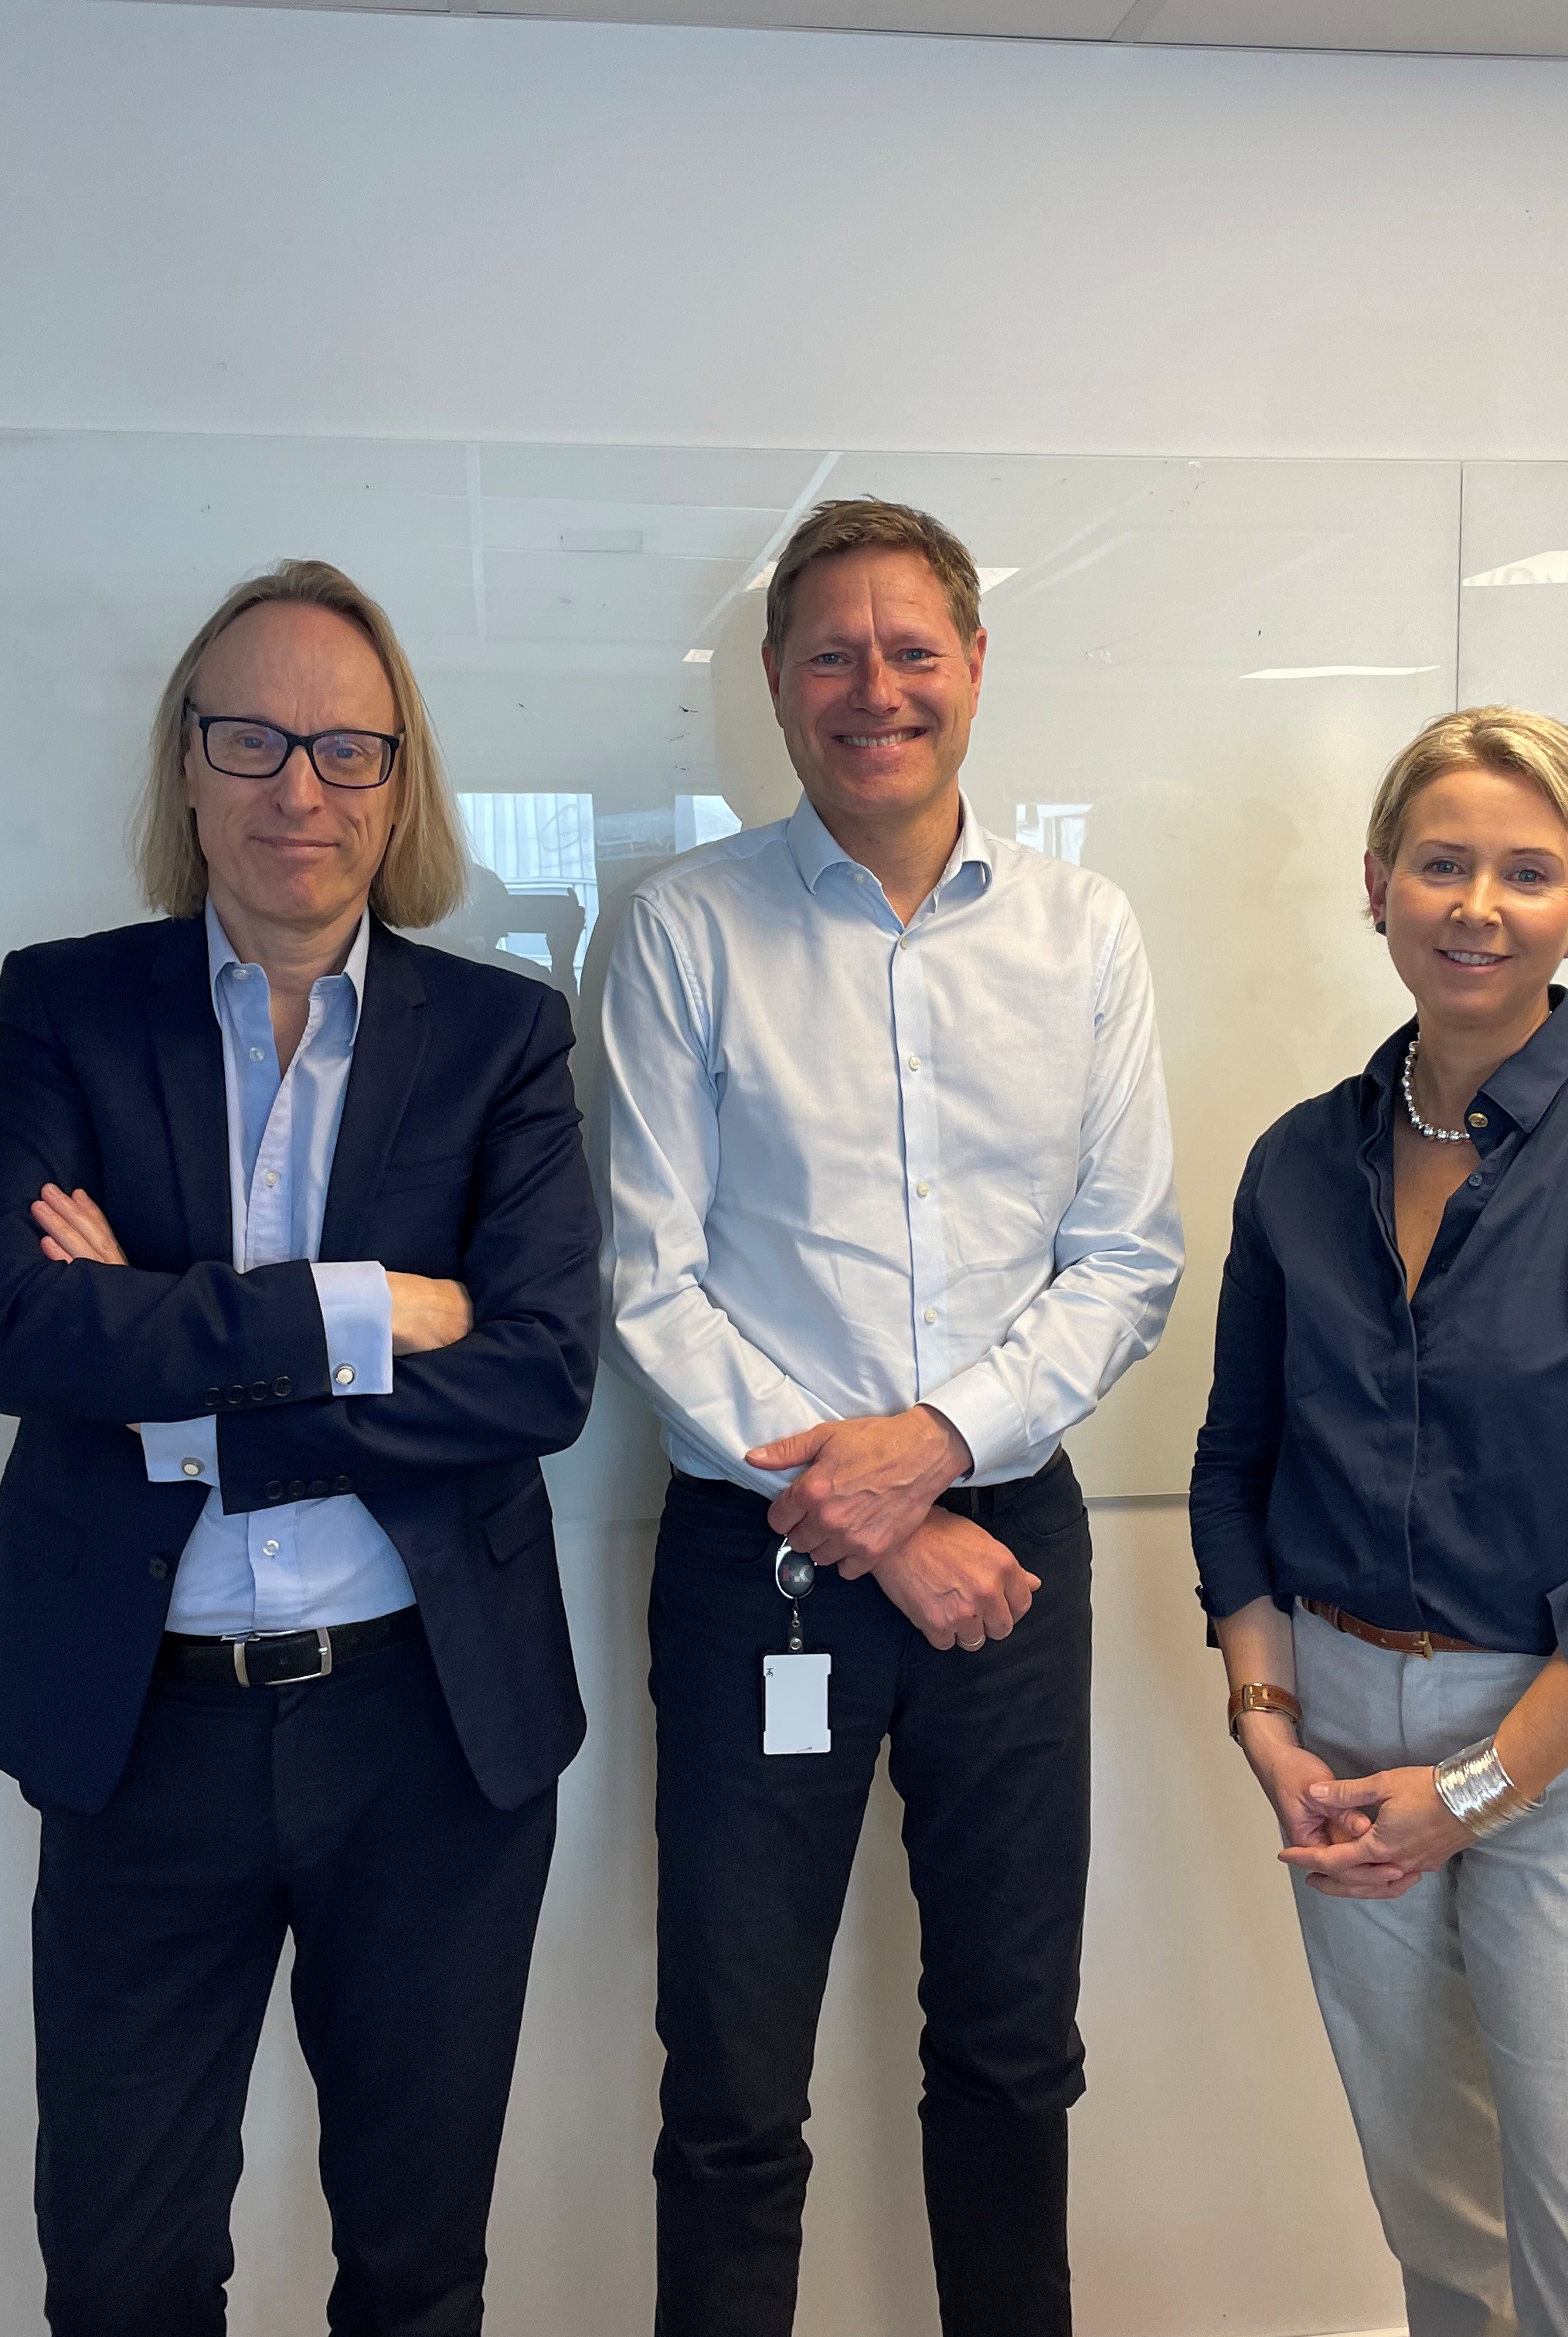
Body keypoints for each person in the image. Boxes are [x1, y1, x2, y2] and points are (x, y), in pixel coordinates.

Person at [0, 560, 600, 2337]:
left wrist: (177, 1377)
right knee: (124, 2275)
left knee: (415, 2271)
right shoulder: (73, 1009)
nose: (300, 788)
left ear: (400, 780)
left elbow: (541, 1376)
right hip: (140, 1727)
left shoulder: (504, 1040)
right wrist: (364, 1310)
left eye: (346, 747)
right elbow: (8, 1329)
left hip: (429, 1731)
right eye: (252, 739)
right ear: (186, 762)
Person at [600, 498, 1184, 2337]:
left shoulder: (1085, 934)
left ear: (976, 668)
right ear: (778, 684)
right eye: (833, 656)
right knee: (731, 2082)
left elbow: (1127, 1258)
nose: (878, 690)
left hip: (1011, 1559)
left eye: (913, 649)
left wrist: (933, 1458)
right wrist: (881, 1517)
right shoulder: (683, 931)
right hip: (755, 1561)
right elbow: (650, 1281)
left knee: (1012, 2053)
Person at [1189, 706, 1568, 2337]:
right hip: (1337, 1732)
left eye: (1528, 873)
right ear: (1375, 884)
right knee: (1447, 2243)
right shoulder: (1301, 1161)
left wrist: (1476, 1788)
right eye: (1441, 863)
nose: (1478, 906)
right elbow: (1236, 1464)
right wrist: (1267, 1719)